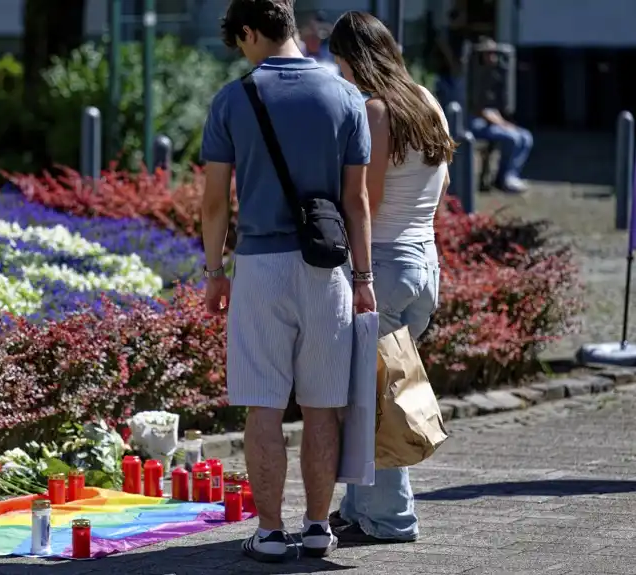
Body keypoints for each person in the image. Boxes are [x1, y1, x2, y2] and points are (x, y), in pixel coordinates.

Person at [201, 0, 374, 562]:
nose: (243, 52)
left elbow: (213, 205)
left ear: (250, 32)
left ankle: (271, 533)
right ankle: (320, 526)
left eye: (241, 41)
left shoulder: (233, 99)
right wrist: (365, 278)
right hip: (329, 269)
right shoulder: (345, 96)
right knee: (323, 406)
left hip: (260, 266)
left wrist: (213, 272)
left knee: (264, 406)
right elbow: (357, 202)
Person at [326, 10, 455, 545]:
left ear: (354, 60)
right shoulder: (427, 101)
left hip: (384, 266)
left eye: (339, 64)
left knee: (379, 401)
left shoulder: (376, 113)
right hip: (423, 263)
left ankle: (391, 520)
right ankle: (359, 509)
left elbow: (366, 203)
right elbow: (439, 190)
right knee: (374, 391)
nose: (338, 75)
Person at [467, 37, 533, 194]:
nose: (493, 57)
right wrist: (502, 124)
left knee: (525, 136)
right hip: (475, 124)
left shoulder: (492, 75)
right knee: (513, 138)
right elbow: (479, 110)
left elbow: (492, 108)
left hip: (491, 122)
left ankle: (510, 174)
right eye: (488, 54)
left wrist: (503, 122)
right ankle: (504, 179)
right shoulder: (474, 77)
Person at [300, 11, 340, 76]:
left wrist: (322, 27)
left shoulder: (327, 53)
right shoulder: (300, 52)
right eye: (311, 37)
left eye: (316, 38)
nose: (314, 41)